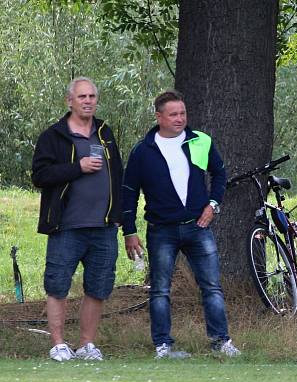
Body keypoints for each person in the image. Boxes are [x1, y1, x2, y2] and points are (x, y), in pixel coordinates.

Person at [122, 89, 240, 359]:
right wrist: (129, 230)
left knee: (211, 286)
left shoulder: (200, 141)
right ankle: (163, 346)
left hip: (198, 227)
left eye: (183, 113)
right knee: (161, 289)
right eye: (173, 114)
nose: (179, 119)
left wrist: (213, 205)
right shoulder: (143, 151)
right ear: (159, 116)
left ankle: (221, 342)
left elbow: (219, 173)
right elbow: (128, 192)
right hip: (161, 230)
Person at [31, 77, 123, 362]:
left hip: (103, 227)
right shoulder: (53, 136)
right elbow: (40, 176)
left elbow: (118, 176)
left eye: (92, 96)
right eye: (82, 96)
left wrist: (120, 217)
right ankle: (58, 344)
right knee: (57, 285)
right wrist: (77, 167)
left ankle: (86, 344)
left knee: (99, 287)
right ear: (69, 101)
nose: (88, 101)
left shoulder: (105, 133)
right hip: (66, 226)